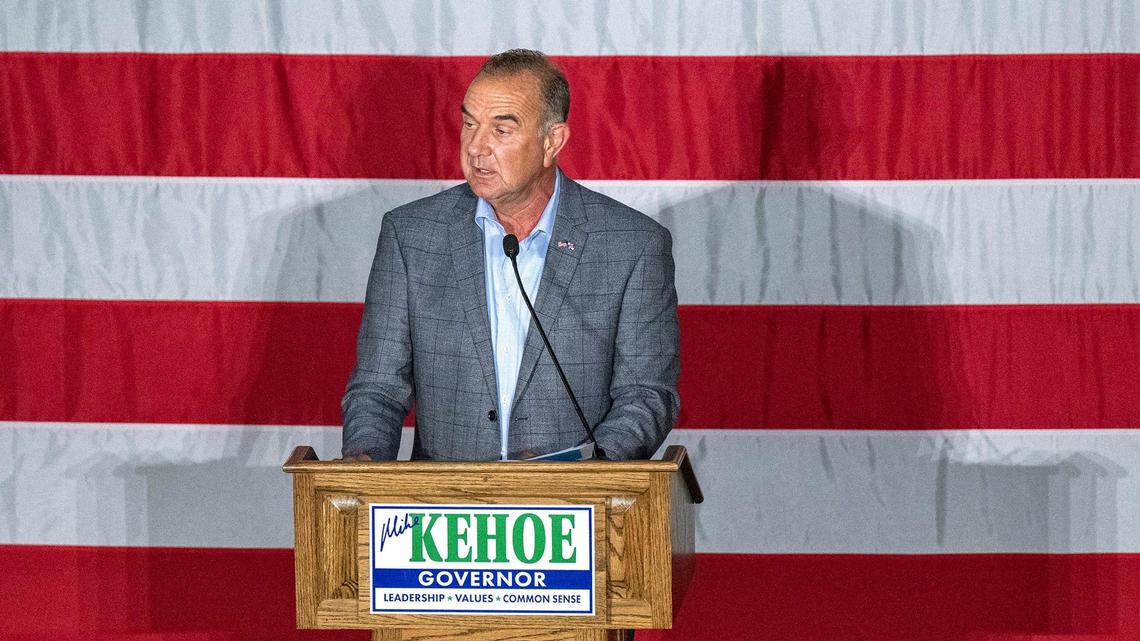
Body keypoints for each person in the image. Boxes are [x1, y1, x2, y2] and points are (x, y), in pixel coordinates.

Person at [341, 49, 679, 462]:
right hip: (443, 511)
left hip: (573, 512)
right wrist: (364, 466)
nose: (476, 147)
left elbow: (645, 394)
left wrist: (593, 474)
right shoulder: (410, 236)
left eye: (502, 130)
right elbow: (377, 388)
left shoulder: (633, 245)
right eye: (469, 123)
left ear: (551, 141)